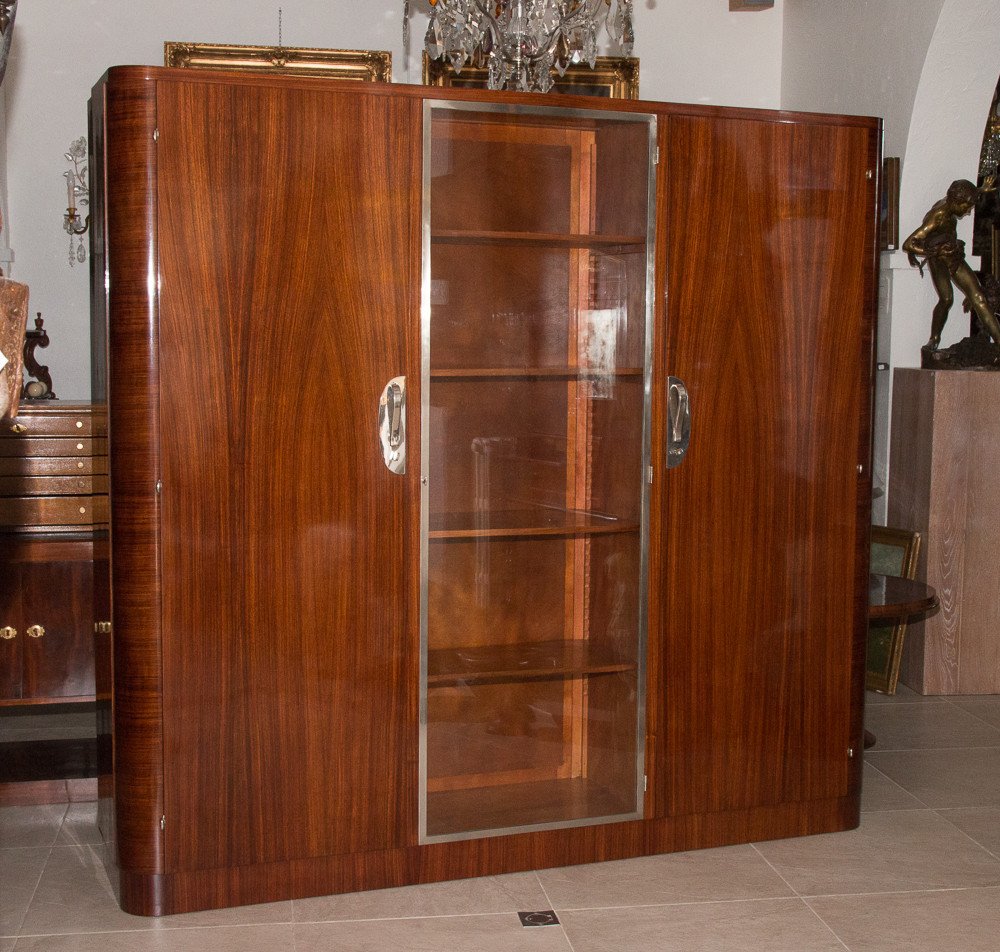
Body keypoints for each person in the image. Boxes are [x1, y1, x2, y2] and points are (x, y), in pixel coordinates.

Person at [902, 176, 1000, 350]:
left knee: (979, 298)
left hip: (953, 255)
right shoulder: (938, 216)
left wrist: (981, 189)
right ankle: (934, 339)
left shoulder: (953, 201)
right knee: (947, 299)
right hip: (939, 259)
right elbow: (909, 244)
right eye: (967, 207)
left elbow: (966, 192)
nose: (969, 211)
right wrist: (935, 251)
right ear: (956, 202)